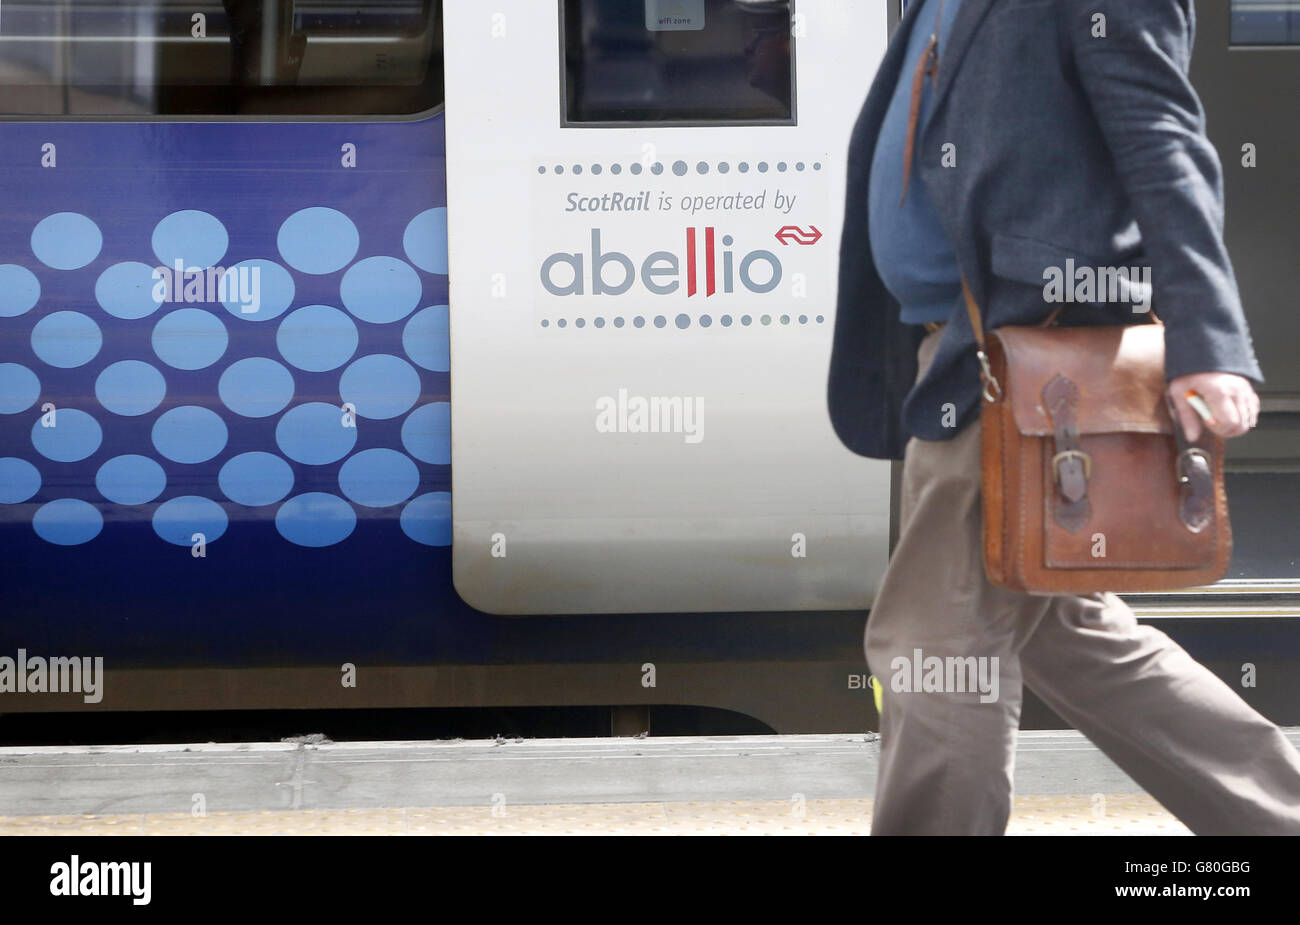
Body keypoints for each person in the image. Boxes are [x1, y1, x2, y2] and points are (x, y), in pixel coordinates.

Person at [826, 0, 1300, 835]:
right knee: (1075, 640)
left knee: (937, 660)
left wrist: (1208, 338)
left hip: (1017, 367)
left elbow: (1160, 131)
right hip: (959, 353)